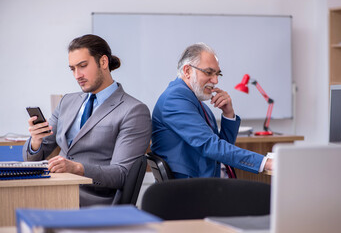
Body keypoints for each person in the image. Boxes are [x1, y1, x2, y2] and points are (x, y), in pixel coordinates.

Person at [23, 34, 152, 206]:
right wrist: (36, 141)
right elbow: (31, 159)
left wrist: (77, 168)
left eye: (83, 66)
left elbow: (122, 174)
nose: (77, 75)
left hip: (93, 199)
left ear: (103, 62)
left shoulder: (134, 110)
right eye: (72, 69)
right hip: (54, 188)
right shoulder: (67, 102)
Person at [151, 43, 272, 178]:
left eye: (217, 74)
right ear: (187, 71)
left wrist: (228, 114)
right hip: (191, 189)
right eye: (209, 72)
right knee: (263, 195)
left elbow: (221, 148)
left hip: (207, 182)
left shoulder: (194, 100)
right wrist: (266, 163)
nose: (215, 80)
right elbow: (211, 146)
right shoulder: (175, 99)